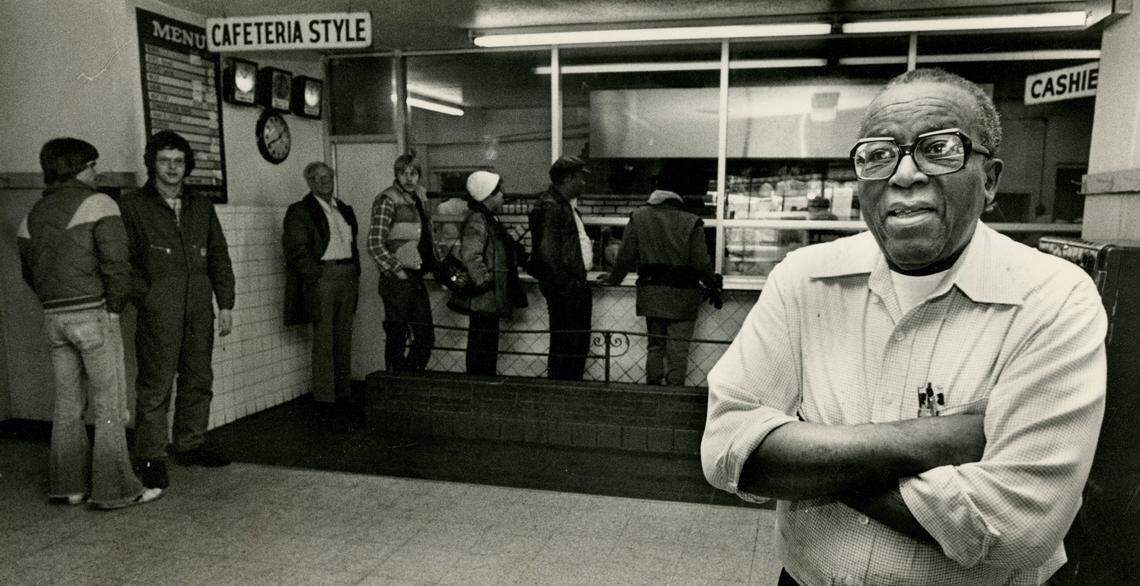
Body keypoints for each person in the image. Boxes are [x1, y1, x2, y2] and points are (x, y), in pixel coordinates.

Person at [701, 69, 1106, 586]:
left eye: (939, 149)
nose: (905, 174)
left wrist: (808, 456)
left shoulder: (1053, 298)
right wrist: (934, 441)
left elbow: (1020, 527)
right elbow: (726, 449)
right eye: (878, 154)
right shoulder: (805, 279)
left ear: (990, 180)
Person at [17, 138, 163, 509]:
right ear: (79, 168)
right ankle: (116, 490)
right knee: (109, 404)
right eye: (93, 165)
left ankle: (68, 487)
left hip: (54, 318)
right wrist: (113, 309)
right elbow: (117, 264)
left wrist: (56, 304)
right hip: (93, 314)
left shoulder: (33, 213)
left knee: (67, 405)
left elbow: (29, 272)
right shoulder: (100, 203)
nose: (97, 172)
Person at [120, 130, 235, 489]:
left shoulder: (201, 205)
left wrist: (225, 303)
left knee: (198, 378)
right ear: (152, 164)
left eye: (179, 161)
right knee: (155, 385)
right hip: (159, 310)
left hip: (199, 307)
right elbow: (123, 261)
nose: (172, 168)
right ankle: (151, 456)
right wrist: (147, 295)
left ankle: (190, 444)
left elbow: (218, 256)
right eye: (164, 161)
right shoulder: (133, 206)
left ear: (187, 166)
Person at [601, 184, 715, 386]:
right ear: (677, 203)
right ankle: (674, 392)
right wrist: (712, 283)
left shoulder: (639, 217)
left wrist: (613, 279)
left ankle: (653, 390)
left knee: (655, 346)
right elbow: (701, 262)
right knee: (678, 349)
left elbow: (625, 256)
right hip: (684, 296)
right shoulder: (691, 221)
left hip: (652, 294)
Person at [282, 162, 360, 409]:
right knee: (325, 337)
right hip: (323, 276)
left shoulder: (344, 209)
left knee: (344, 334)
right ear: (309, 182)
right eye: (318, 178)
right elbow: (296, 250)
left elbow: (352, 242)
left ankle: (343, 392)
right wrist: (315, 275)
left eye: (328, 177)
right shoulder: (300, 210)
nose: (325, 181)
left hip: (347, 274)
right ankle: (325, 397)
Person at [447, 171, 527, 375]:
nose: (503, 194)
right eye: (498, 191)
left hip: (486, 297)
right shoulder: (479, 219)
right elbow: (471, 255)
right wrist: (485, 281)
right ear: (487, 195)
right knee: (482, 345)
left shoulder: (486, 217)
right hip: (484, 297)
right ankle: (478, 385)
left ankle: (480, 384)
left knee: (485, 344)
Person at [367, 150, 436, 372]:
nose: (409, 178)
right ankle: (396, 384)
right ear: (396, 175)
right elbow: (374, 244)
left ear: (419, 176)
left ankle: (406, 380)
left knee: (424, 337)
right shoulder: (388, 200)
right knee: (397, 336)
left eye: (413, 173)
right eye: (403, 173)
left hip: (415, 274)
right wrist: (398, 271)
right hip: (399, 278)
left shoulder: (419, 199)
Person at [528, 156, 593, 380]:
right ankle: (564, 390)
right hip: (566, 289)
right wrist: (568, 286)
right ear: (568, 179)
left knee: (569, 345)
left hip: (566, 286)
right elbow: (547, 252)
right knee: (570, 347)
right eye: (580, 178)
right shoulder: (552, 206)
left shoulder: (558, 204)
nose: (584, 183)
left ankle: (564, 389)